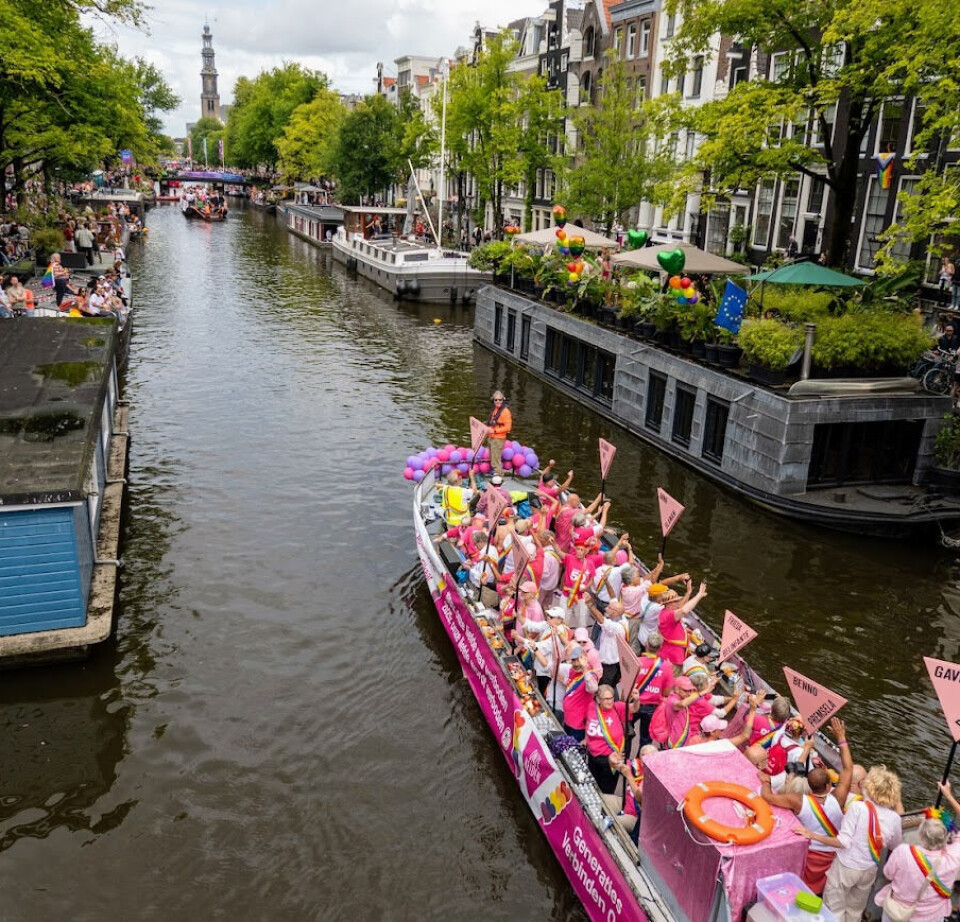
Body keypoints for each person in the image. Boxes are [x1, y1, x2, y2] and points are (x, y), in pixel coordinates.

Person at [795, 765, 904, 922]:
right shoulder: (894, 818)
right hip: (869, 869)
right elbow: (895, 845)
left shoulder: (858, 808)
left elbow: (843, 841)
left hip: (846, 867)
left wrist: (812, 835)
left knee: (834, 908)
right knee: (855, 910)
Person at [761, 718, 853, 894]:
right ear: (829, 786)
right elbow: (848, 768)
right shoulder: (839, 798)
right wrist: (841, 737)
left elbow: (768, 797)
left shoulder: (798, 801)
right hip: (830, 856)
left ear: (809, 786)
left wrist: (767, 781)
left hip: (808, 853)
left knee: (800, 887)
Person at [872, 783, 960, 922]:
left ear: (921, 834)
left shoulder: (904, 852)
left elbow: (888, 873)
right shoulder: (954, 858)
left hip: (897, 912)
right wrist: (948, 795)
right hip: (931, 917)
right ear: (946, 836)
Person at [585, 684, 639, 794]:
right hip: (593, 756)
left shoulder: (617, 707)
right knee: (591, 786)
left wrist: (637, 699)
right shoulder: (591, 706)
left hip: (611, 759)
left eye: (611, 698)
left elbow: (633, 708)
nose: (610, 701)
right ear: (598, 699)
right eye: (606, 699)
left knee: (606, 791)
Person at [631, 632, 671, 746]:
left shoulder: (636, 661)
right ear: (660, 647)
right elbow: (667, 692)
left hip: (634, 703)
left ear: (646, 644)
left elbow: (627, 683)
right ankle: (641, 761)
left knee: (627, 734)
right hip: (652, 707)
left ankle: (625, 760)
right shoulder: (666, 666)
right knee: (646, 739)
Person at [657, 579, 708, 667]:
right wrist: (699, 595)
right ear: (668, 604)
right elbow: (684, 610)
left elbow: (681, 607)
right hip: (672, 659)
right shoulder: (668, 615)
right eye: (676, 601)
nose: (678, 603)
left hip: (672, 654)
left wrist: (689, 592)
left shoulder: (666, 611)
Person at [585, 597, 628, 688]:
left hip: (608, 666)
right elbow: (613, 597)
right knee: (610, 687)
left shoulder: (617, 627)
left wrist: (590, 605)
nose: (606, 609)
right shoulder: (620, 616)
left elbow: (601, 620)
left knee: (605, 688)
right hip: (605, 662)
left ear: (615, 612)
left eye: (609, 608)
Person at [485, 392, 512, 477]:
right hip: (491, 437)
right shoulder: (495, 409)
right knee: (493, 459)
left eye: (500, 400)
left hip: (498, 438)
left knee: (496, 461)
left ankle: (499, 478)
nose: (498, 401)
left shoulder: (506, 412)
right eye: (496, 400)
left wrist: (495, 431)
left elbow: (508, 428)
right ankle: (496, 475)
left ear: (503, 400)